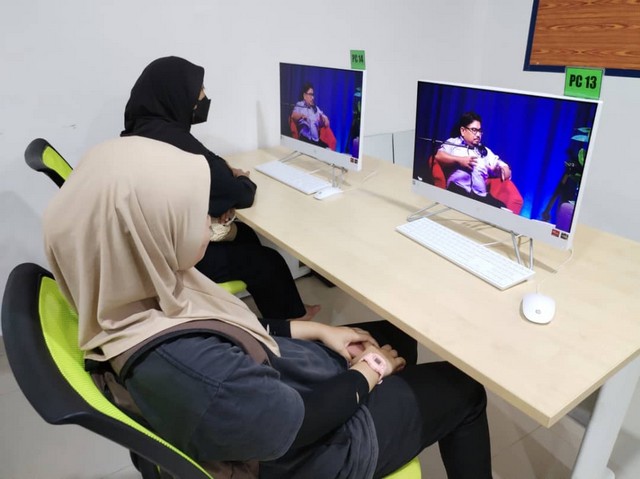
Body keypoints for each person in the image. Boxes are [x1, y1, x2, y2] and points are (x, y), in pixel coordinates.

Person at [42, 135, 492, 479]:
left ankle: (400, 398)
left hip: (274, 389)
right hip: (311, 453)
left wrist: (319, 331)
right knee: (464, 388)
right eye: (195, 214)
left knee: (394, 338)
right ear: (145, 231)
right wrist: (371, 371)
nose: (212, 223)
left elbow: (227, 327)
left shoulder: (134, 295)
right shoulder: (184, 364)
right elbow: (297, 427)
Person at [120, 56, 319, 321]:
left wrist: (220, 192)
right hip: (170, 261)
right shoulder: (176, 144)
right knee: (268, 261)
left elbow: (212, 168)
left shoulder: (145, 129)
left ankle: (282, 310)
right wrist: (240, 179)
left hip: (151, 244)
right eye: (199, 90)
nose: (204, 97)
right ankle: (294, 322)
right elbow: (242, 195)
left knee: (245, 235)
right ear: (177, 95)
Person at [435, 111, 512, 208]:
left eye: (480, 131)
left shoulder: (484, 150)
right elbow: (439, 156)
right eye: (474, 130)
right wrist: (459, 160)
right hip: (458, 190)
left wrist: (503, 168)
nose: (478, 135)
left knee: (502, 208)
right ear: (463, 131)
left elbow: (501, 165)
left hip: (480, 196)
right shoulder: (453, 143)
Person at [290, 82, 331, 147]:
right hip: (304, 137)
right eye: (310, 94)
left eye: (313, 95)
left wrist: (325, 119)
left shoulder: (315, 108)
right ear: (304, 95)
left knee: (327, 148)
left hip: (315, 139)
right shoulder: (300, 105)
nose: (313, 97)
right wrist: (301, 115)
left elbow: (326, 122)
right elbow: (293, 115)